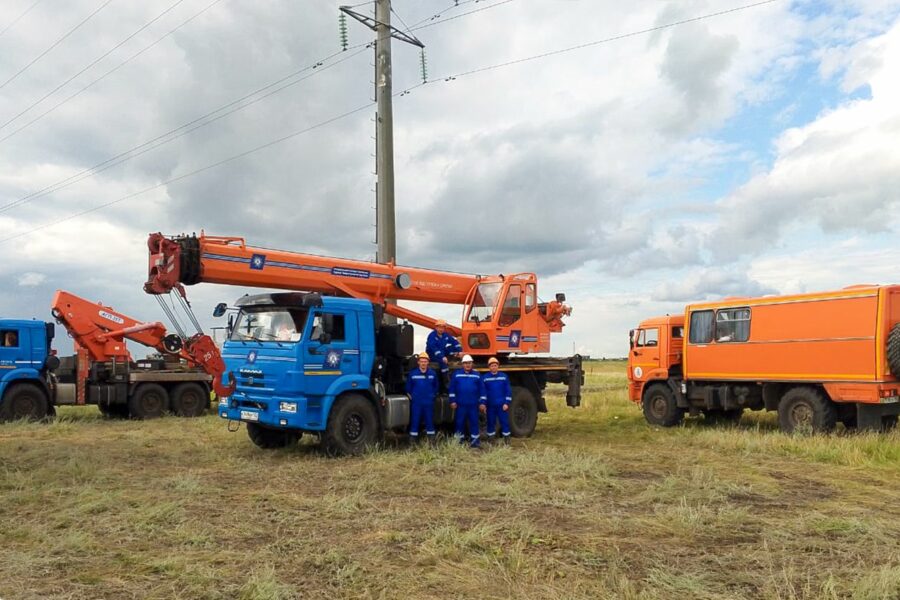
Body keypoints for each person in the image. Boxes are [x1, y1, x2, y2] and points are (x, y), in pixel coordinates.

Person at [449, 354, 486, 448]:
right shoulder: (456, 374)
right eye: (465, 363)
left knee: (474, 423)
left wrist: (482, 402)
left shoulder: (477, 375)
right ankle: (458, 442)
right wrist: (452, 401)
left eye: (469, 363)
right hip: (460, 404)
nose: (467, 365)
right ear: (462, 364)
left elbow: (482, 390)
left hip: (473, 405)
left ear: (472, 364)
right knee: (459, 423)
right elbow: (452, 389)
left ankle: (475, 443)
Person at [405, 352, 439, 445]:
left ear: (428, 362)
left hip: (429, 403)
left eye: (425, 361)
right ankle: (413, 442)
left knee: (429, 421)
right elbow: (408, 388)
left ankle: (431, 442)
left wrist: (432, 395)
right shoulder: (413, 374)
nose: (423, 363)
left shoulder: (432, 374)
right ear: (418, 362)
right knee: (415, 421)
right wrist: (413, 397)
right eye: (421, 361)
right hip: (417, 403)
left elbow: (436, 387)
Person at [482, 357, 512, 444]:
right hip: (490, 405)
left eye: (495, 365)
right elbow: (483, 392)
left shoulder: (503, 377)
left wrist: (506, 403)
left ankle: (507, 439)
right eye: (492, 366)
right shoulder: (485, 378)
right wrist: (484, 404)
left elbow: (508, 390)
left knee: (504, 422)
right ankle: (491, 439)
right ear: (489, 367)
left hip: (501, 405)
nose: (494, 367)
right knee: (490, 422)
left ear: (498, 366)